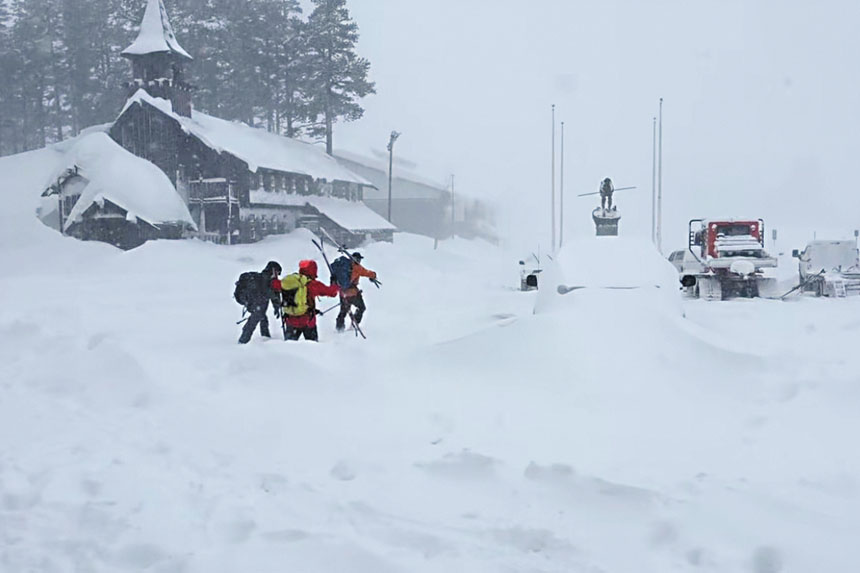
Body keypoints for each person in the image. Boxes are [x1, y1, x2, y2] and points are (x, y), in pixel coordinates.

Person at [281, 259, 339, 341]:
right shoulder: (313, 284)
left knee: (288, 347)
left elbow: (276, 286)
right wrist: (334, 284)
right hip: (307, 321)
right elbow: (332, 293)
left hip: (290, 320)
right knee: (313, 348)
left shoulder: (292, 282)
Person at [237, 260, 282, 344]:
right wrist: (276, 297)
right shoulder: (265, 278)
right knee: (254, 321)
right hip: (257, 303)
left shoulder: (265, 278)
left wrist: (276, 306)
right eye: (277, 272)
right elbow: (268, 292)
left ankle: (265, 338)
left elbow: (270, 293)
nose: (277, 275)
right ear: (273, 270)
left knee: (262, 318)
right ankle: (243, 341)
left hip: (257, 303)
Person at [335, 252, 378, 332]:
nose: (359, 261)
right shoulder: (357, 267)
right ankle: (354, 324)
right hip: (353, 293)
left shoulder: (343, 266)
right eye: (359, 259)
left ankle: (339, 329)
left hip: (343, 293)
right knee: (361, 307)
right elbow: (367, 273)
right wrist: (374, 275)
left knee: (343, 311)